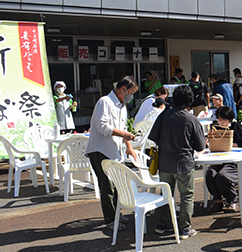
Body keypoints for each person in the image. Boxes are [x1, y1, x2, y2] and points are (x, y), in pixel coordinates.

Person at [148, 85, 206, 239]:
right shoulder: (191, 119)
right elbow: (200, 146)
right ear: (190, 101)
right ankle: (185, 228)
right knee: (187, 195)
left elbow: (153, 137)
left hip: (165, 162)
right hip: (184, 163)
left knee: (166, 194)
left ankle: (163, 224)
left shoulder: (164, 115)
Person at [85, 76, 138, 231]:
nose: (131, 96)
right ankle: (110, 219)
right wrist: (124, 136)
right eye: (131, 92)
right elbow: (103, 127)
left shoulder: (121, 106)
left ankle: (116, 214)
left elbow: (124, 129)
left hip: (113, 151)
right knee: (107, 186)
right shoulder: (104, 102)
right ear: (123, 89)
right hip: (100, 150)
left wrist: (129, 146)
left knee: (116, 184)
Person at [205, 105, 242, 213]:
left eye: (223, 120)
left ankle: (233, 200)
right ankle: (218, 200)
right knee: (210, 173)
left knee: (222, 176)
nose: (221, 122)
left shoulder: (236, 126)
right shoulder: (216, 128)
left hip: (235, 161)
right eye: (219, 119)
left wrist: (229, 145)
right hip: (220, 160)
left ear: (230, 119)